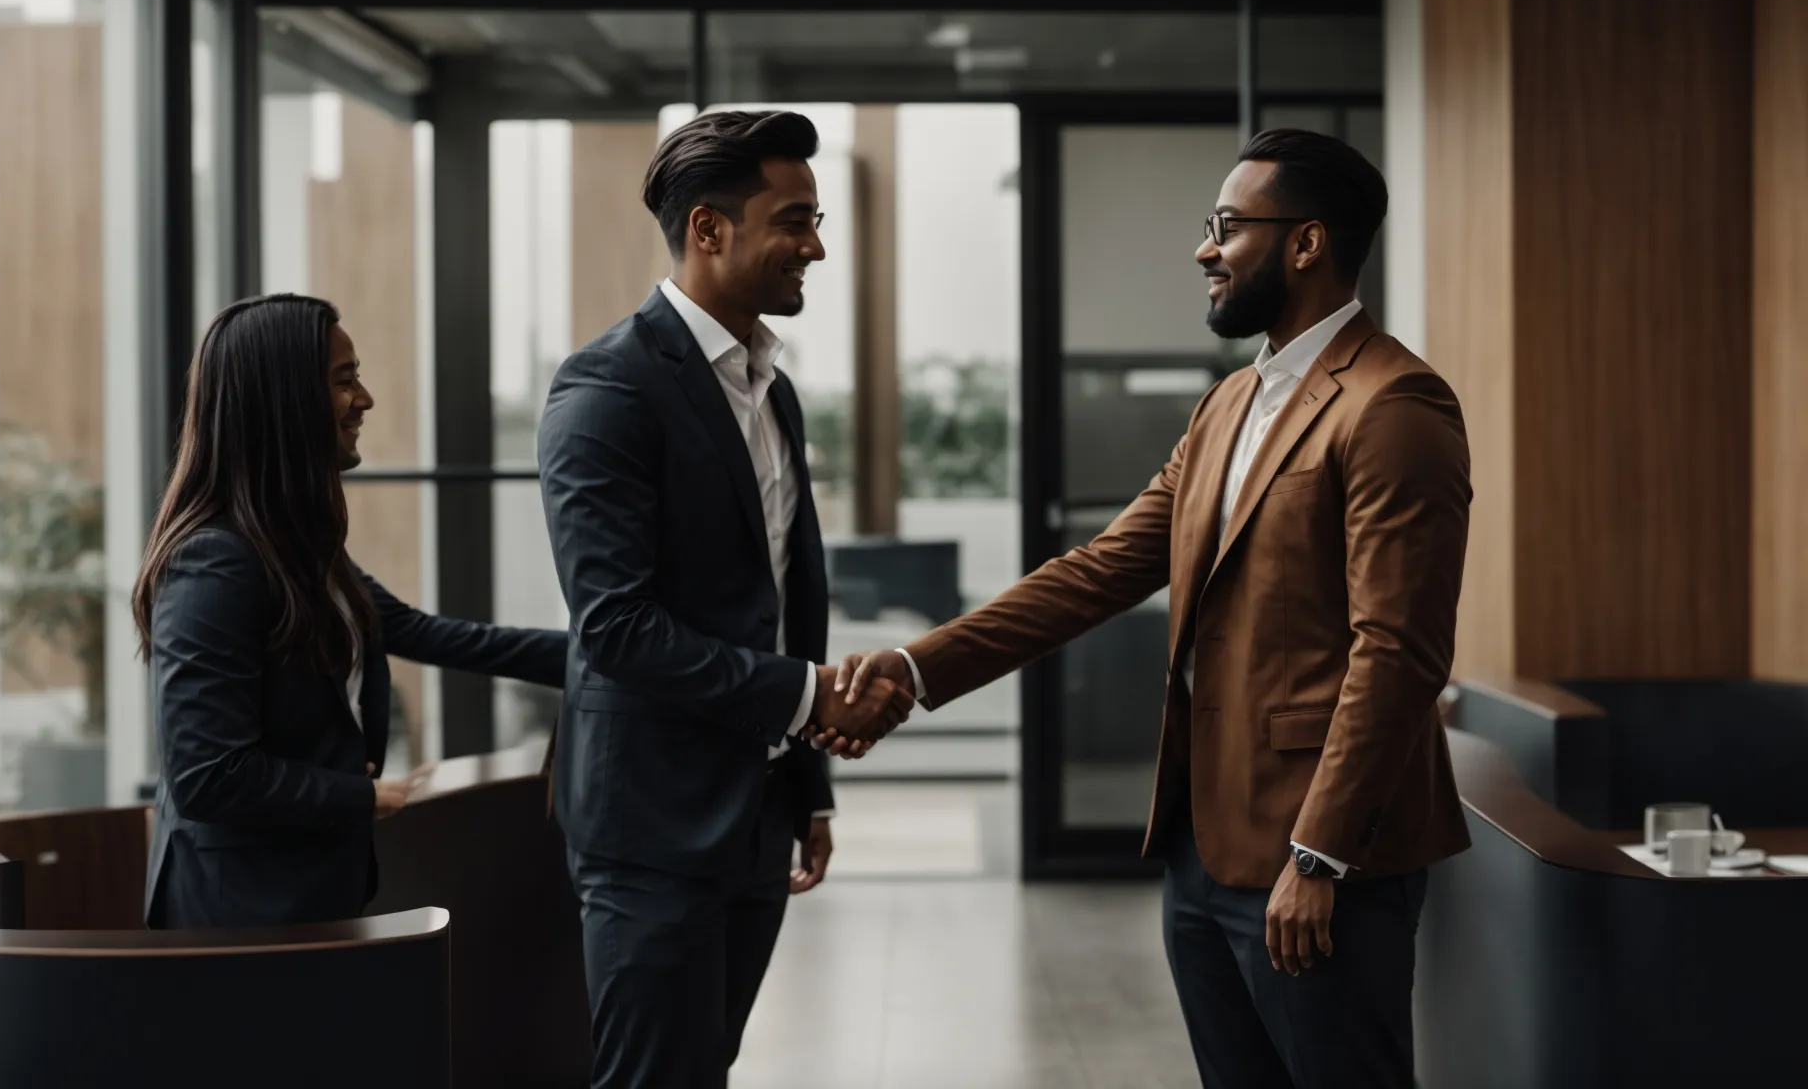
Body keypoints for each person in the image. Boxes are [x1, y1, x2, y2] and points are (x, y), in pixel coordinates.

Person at [829, 128, 1472, 1089]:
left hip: (1320, 857)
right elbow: (1098, 571)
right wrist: (917, 668)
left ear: (1306, 243)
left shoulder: (1394, 404)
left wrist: (1320, 855)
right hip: (1201, 853)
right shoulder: (1226, 408)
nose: (1204, 249)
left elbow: (1399, 652)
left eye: (1228, 226)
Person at [537, 110, 913, 1088]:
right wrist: (810, 697)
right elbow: (615, 627)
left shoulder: (770, 389)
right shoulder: (607, 388)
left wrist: (807, 780)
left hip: (757, 808)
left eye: (815, 221)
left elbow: (782, 596)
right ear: (708, 228)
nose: (815, 247)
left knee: (704, 1069)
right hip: (651, 825)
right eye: (794, 221)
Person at [136, 292, 567, 930]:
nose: (364, 399)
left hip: (303, 892)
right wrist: (357, 795)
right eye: (344, 381)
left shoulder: (293, 548)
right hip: (241, 916)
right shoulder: (214, 562)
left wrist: (604, 656)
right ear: (283, 401)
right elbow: (208, 775)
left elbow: (428, 634)